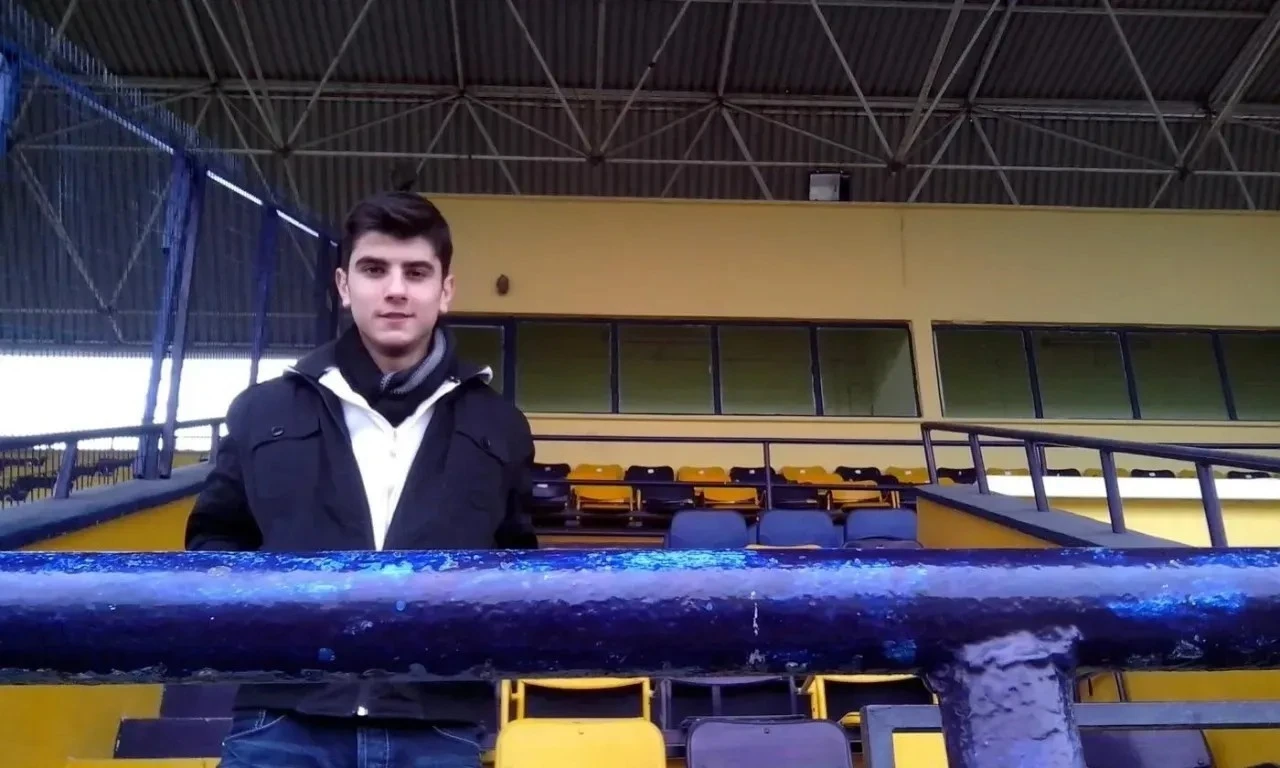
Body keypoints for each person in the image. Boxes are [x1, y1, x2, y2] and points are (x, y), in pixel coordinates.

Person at [186, 191, 538, 768]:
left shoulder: (500, 425)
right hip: (282, 720)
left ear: (445, 290)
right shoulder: (261, 411)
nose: (396, 289)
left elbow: (514, 565)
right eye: (375, 269)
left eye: (416, 272)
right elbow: (214, 543)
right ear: (344, 285)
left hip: (438, 725)